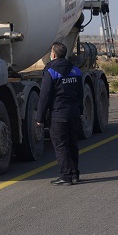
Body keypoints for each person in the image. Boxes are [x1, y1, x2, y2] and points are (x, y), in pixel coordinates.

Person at [36, 42, 84, 186]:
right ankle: (75, 174)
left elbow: (45, 96)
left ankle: (66, 176)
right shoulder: (76, 70)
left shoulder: (50, 71)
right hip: (74, 113)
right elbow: (80, 94)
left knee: (61, 146)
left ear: (54, 54)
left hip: (59, 115)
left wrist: (40, 118)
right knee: (72, 144)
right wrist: (80, 111)